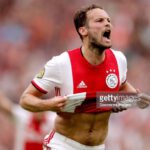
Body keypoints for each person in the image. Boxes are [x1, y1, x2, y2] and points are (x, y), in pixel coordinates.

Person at [19, 4, 150, 150]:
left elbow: (122, 86)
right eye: (99, 20)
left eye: (108, 20)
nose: (107, 23)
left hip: (97, 147)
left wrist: (132, 99)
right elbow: (25, 99)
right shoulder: (62, 63)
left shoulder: (119, 59)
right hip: (63, 145)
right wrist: (49, 105)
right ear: (83, 30)